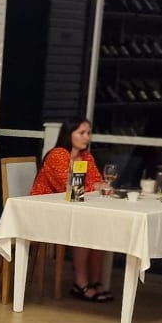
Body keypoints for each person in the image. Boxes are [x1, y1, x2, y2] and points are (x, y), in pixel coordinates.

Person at [30, 117, 112, 302]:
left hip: (70, 209)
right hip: (44, 211)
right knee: (85, 228)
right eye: (81, 133)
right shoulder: (58, 154)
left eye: (88, 133)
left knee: (99, 228)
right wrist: (95, 186)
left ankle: (95, 282)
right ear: (69, 134)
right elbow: (71, 187)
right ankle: (80, 283)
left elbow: (98, 183)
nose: (86, 137)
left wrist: (96, 186)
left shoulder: (86, 157)